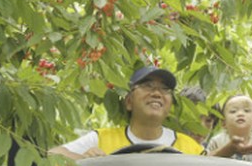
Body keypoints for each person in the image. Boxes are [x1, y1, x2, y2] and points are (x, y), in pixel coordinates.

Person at [49, 65, 204, 160]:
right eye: (148, 86)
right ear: (129, 102)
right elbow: (52, 154)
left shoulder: (190, 147)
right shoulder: (101, 139)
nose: (157, 93)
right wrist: (83, 159)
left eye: (164, 89)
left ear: (170, 107)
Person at [206, 94, 252, 163]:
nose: (240, 114)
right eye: (233, 111)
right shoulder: (216, 141)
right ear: (223, 123)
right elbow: (206, 162)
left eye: (246, 110)